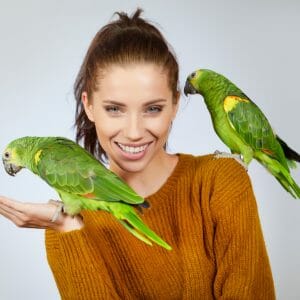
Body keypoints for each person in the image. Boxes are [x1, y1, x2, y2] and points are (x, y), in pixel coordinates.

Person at [0, 8, 275, 299]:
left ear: (175, 105)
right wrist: (68, 229)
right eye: (114, 109)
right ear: (89, 106)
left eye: (153, 108)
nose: (134, 131)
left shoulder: (220, 182)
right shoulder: (64, 224)